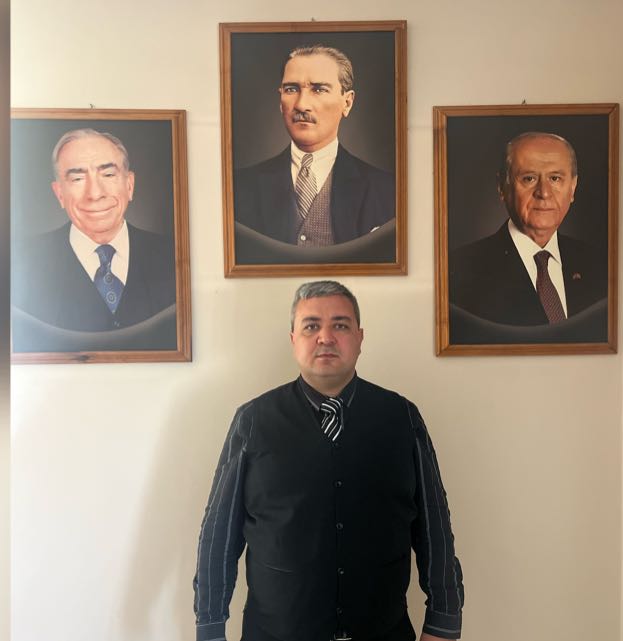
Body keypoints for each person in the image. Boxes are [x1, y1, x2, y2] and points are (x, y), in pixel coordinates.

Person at [194, 281, 464, 641]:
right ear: (293, 339)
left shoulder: (401, 417)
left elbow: (434, 527)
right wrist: (210, 627)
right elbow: (219, 534)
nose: (326, 337)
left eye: (340, 325)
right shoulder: (253, 421)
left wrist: (443, 622)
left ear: (360, 337)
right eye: (311, 326)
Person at [12, 128, 176, 335]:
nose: (95, 193)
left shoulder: (173, 256)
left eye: (108, 174)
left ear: (129, 185)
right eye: (77, 179)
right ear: (60, 193)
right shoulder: (21, 263)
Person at [234, 45, 396, 246]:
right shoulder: (239, 187)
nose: (301, 105)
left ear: (347, 103)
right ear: (280, 100)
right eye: (291, 89)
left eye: (319, 89)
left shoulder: (387, 191)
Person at [449, 132, 607, 328]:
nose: (544, 193)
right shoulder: (460, 271)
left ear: (572, 188)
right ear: (502, 187)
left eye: (555, 178)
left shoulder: (600, 266)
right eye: (529, 178)